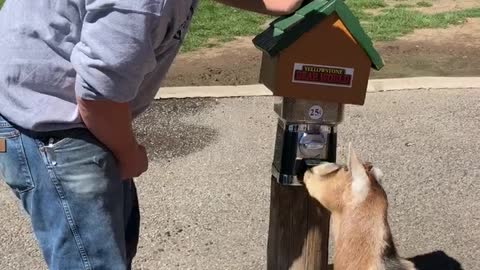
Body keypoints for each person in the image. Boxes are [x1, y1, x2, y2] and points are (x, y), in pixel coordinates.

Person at [0, 0, 304, 269]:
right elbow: (98, 97)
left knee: (114, 249)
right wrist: (128, 154)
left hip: (69, 114)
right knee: (95, 261)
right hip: (51, 126)